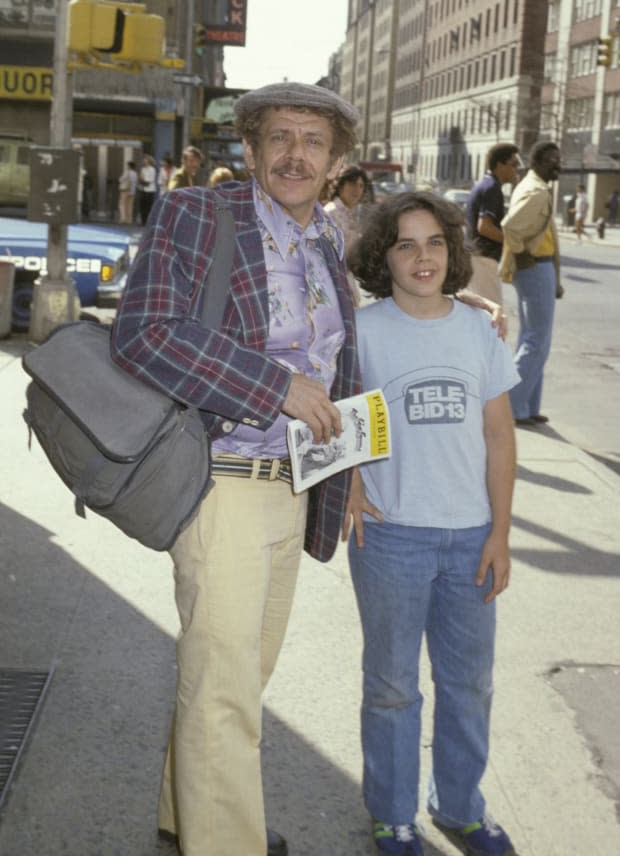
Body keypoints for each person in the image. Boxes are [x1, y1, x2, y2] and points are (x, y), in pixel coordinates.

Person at [110, 81, 362, 856]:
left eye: (312, 143)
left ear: (334, 162)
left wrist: (346, 475)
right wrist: (271, 385)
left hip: (294, 489)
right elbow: (144, 333)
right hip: (220, 485)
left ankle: (187, 814)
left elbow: (337, 363)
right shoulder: (198, 213)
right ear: (249, 150)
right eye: (279, 138)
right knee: (225, 696)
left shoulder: (327, 239)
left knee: (235, 681)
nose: (295, 154)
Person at [345, 191, 519, 856]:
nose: (423, 257)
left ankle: (460, 805)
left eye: (435, 243)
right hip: (392, 538)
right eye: (405, 244)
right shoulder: (364, 331)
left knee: (468, 682)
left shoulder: (479, 330)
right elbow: (344, 415)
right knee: (391, 686)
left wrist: (500, 533)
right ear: (382, 257)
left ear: (453, 251)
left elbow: (500, 437)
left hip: (471, 535)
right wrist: (354, 485)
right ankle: (392, 813)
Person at [499, 140, 564, 427]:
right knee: (537, 341)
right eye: (551, 159)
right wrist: (522, 253)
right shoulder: (536, 192)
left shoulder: (535, 186)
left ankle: (526, 407)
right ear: (537, 162)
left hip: (542, 267)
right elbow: (510, 226)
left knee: (535, 339)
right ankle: (510, 407)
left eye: (558, 159)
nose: (557, 164)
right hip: (535, 267)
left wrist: (557, 277)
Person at [466, 143, 521, 305]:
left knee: (479, 315)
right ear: (500, 165)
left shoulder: (487, 185)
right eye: (514, 164)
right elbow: (484, 227)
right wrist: (512, 242)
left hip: (477, 258)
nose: (516, 169)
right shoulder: (492, 188)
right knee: (492, 315)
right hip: (483, 259)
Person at [324, 165, 372, 305]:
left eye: (361, 185)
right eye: (352, 184)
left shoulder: (353, 215)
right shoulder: (330, 214)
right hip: (332, 284)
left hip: (346, 281)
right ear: (340, 186)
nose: (357, 190)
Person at [138, 154, 157, 224]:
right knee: (142, 206)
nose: (144, 161)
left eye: (145, 160)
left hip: (150, 190)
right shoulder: (143, 169)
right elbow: (140, 179)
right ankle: (143, 221)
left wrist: (143, 179)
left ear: (148, 161)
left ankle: (148, 222)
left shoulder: (152, 169)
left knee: (148, 207)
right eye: (143, 160)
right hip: (143, 189)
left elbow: (150, 180)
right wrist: (142, 179)